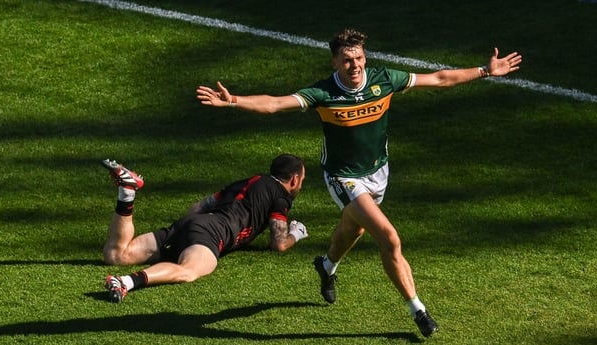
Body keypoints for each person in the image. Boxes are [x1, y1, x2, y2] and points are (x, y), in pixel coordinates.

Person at [196, 28, 522, 337]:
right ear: (335, 62)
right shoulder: (324, 93)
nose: (355, 65)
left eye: (359, 58)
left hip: (378, 172)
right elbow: (275, 104)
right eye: (347, 60)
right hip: (343, 177)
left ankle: (327, 266)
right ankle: (418, 310)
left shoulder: (384, 80)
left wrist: (485, 70)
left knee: (354, 229)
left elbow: (438, 78)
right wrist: (234, 100)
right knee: (389, 237)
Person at [100, 154, 308, 303]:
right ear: (294, 179)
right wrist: (295, 234)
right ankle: (127, 282)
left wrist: (180, 231)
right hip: (211, 232)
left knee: (116, 255)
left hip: (189, 224)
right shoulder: (281, 197)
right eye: (302, 181)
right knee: (189, 271)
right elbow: (279, 244)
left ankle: (127, 193)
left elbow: (199, 207)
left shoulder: (248, 181)